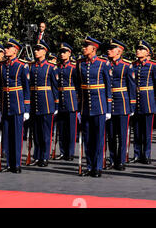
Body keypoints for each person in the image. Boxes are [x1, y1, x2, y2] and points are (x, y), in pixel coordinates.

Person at [77, 36, 112, 177]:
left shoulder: (103, 63)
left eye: (87, 46)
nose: (84, 48)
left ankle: (97, 167)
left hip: (100, 107)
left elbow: (108, 87)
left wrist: (108, 109)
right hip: (86, 107)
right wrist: (79, 108)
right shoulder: (79, 64)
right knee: (88, 139)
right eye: (84, 46)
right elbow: (78, 87)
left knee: (98, 138)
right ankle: (89, 166)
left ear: (94, 48)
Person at [0, 38, 31, 173]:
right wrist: (1, 108)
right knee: (7, 136)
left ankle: (16, 164)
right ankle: (9, 164)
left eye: (8, 47)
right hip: (6, 106)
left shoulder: (21, 66)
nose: (5, 49)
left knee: (17, 137)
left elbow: (26, 88)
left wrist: (26, 109)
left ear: (15, 50)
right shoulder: (2, 65)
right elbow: (1, 87)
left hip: (17, 105)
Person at [105, 39, 136, 170]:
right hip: (108, 103)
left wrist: (132, 105)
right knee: (111, 135)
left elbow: (132, 86)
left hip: (122, 103)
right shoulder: (105, 64)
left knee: (122, 135)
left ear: (119, 51)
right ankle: (112, 160)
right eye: (109, 49)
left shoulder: (126, 66)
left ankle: (121, 161)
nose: (109, 51)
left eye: (112, 49)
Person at [28, 40, 59, 167]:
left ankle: (45, 157)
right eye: (35, 49)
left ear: (45, 51)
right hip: (34, 103)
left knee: (45, 132)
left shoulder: (51, 67)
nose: (36, 51)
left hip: (47, 102)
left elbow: (55, 87)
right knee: (36, 132)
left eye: (38, 49)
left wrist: (56, 105)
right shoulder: (31, 66)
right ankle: (37, 156)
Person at [130, 40, 155, 165]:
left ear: (147, 52)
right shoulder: (133, 65)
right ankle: (137, 154)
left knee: (147, 131)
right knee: (137, 130)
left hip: (148, 101)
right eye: (137, 49)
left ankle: (146, 155)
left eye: (141, 49)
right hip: (136, 100)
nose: (138, 51)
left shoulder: (152, 66)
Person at [55, 43, 79, 161]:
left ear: (69, 53)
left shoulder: (74, 67)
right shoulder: (57, 67)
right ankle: (62, 151)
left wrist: (78, 102)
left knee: (71, 129)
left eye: (65, 52)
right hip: (60, 99)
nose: (62, 54)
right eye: (61, 52)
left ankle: (70, 152)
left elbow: (78, 85)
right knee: (61, 128)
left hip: (71, 100)